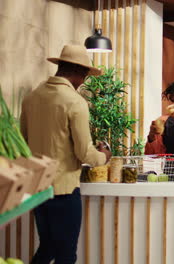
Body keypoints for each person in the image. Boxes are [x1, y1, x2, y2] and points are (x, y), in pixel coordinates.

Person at [20, 44, 112, 264]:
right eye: (85, 76)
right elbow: (84, 153)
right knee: (66, 254)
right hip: (64, 189)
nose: (83, 82)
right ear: (79, 73)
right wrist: (104, 156)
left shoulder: (31, 97)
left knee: (48, 247)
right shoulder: (75, 102)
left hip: (38, 188)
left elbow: (23, 145)